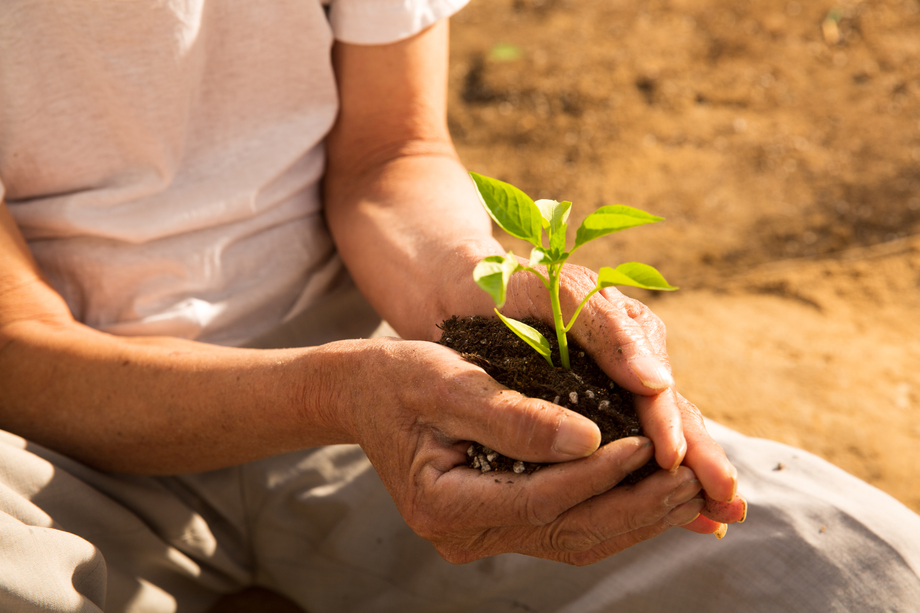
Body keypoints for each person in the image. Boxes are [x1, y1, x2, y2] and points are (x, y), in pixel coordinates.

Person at [0, 2, 917, 612]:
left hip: (386, 381)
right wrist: (333, 393)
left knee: (861, 569)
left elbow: (388, 153)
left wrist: (485, 288)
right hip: (54, 453)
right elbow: (18, 343)